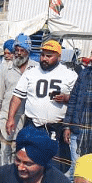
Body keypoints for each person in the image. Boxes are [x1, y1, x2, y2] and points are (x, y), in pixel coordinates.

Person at [6, 39, 76, 173]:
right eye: (43, 55)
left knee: (54, 167)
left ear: (59, 57)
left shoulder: (70, 74)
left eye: (49, 56)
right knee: (29, 162)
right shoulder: (31, 72)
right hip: (33, 126)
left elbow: (78, 100)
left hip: (56, 128)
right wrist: (10, 118)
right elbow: (17, 97)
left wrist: (67, 98)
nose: (44, 58)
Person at [0, 34, 32, 167]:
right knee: (5, 151)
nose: (18, 53)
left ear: (28, 51)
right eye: (16, 50)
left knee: (20, 152)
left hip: (26, 119)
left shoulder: (35, 69)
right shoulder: (4, 69)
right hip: (6, 117)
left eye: (21, 50)